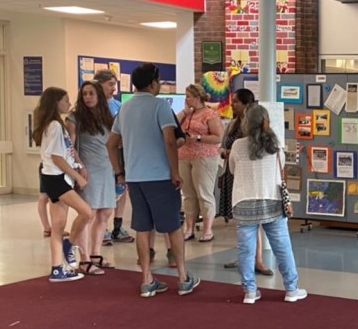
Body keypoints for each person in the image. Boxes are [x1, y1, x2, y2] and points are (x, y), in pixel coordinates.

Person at [107, 63, 200, 299]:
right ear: (152, 83)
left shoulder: (124, 108)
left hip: (135, 178)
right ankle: (183, 277)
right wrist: (174, 171)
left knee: (142, 228)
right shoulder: (160, 105)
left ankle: (147, 280)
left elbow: (111, 144)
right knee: (173, 227)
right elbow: (170, 140)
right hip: (159, 177)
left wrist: (119, 172)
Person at [229, 104, 306, 304]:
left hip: (244, 202)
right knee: (282, 247)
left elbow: (232, 169)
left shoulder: (237, 145)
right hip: (272, 201)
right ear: (266, 121)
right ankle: (291, 289)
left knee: (246, 250)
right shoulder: (275, 145)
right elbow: (281, 169)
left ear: (246, 123)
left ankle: (249, 291)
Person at [33, 87, 93, 282]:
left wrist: (78, 165)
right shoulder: (55, 126)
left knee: (58, 226)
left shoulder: (54, 125)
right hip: (57, 178)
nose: (69, 104)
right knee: (86, 212)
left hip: (56, 177)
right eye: (66, 100)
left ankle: (57, 268)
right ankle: (69, 245)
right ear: (56, 102)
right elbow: (57, 157)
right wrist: (77, 176)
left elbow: (66, 152)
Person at [65, 81, 117, 273]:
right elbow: (69, 146)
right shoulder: (75, 117)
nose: (87, 97)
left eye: (91, 93)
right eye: (84, 94)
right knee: (89, 212)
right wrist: (80, 166)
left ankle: (95, 253)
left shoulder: (107, 116)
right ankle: (84, 259)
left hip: (106, 167)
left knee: (105, 212)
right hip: (88, 169)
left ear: (99, 96)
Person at [220, 88, 272, 275]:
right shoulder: (232, 124)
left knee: (253, 220)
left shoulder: (254, 128)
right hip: (233, 175)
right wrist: (225, 152)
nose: (232, 104)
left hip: (250, 178)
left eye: (236, 101)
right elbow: (223, 145)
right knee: (241, 221)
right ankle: (245, 256)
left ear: (246, 103)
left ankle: (257, 259)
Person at [176, 83, 223, 242]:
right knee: (188, 194)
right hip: (184, 156)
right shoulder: (187, 114)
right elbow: (173, 123)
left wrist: (198, 138)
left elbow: (218, 137)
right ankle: (189, 228)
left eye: (188, 96)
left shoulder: (210, 114)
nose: (186, 99)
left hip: (204, 157)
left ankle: (208, 229)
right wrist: (184, 111)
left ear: (197, 97)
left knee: (204, 193)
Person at [92, 69, 135, 245]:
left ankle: (118, 226)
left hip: (119, 153)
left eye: (114, 84)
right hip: (100, 156)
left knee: (121, 188)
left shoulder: (119, 105)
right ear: (99, 84)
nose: (113, 88)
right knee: (103, 192)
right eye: (110, 84)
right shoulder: (93, 107)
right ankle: (101, 228)